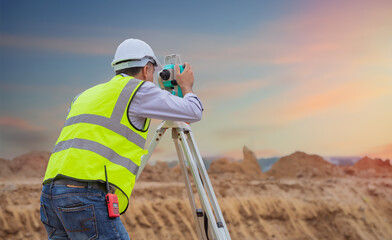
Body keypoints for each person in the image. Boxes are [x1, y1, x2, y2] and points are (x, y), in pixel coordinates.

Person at [40, 39, 203, 239]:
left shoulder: (84, 95)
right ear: (146, 69)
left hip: (51, 194)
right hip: (86, 195)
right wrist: (186, 86)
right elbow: (194, 111)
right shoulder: (139, 90)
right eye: (153, 72)